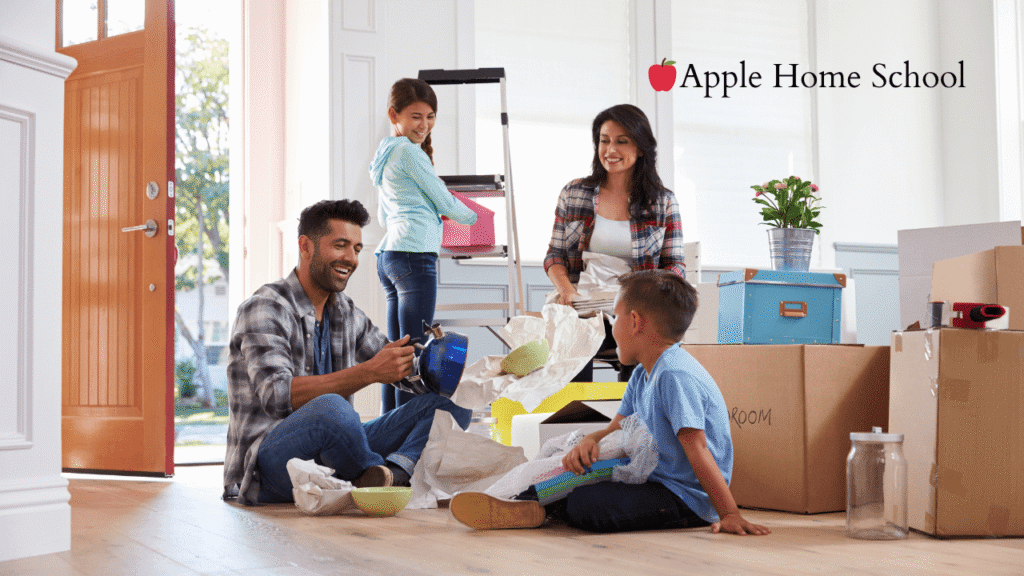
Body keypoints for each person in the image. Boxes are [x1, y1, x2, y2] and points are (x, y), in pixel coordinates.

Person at [450, 270, 770, 536]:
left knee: (587, 504)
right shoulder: (644, 373)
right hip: (654, 479)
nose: (611, 326)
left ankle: (532, 505)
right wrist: (591, 440)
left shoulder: (674, 375)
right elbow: (616, 428)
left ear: (634, 322)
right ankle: (523, 501)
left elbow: (697, 447)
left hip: (686, 499)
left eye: (613, 317)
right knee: (578, 477)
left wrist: (728, 513)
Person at [223, 199, 472, 506]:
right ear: (306, 246)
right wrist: (369, 372)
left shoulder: (345, 312)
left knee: (448, 405)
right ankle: (370, 474)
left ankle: (390, 474)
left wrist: (435, 367)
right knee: (332, 409)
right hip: (269, 466)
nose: (351, 258)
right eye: (340, 245)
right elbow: (276, 396)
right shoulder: (265, 307)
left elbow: (396, 368)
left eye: (356, 248)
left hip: (333, 455)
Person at [544, 104, 685, 382]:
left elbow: (675, 267)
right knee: (570, 333)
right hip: (582, 302)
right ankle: (573, 415)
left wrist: (643, 295)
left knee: (640, 334)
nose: (610, 150)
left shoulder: (663, 202)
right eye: (604, 140)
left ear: (641, 148)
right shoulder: (574, 193)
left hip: (635, 306)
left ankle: (634, 418)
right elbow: (554, 255)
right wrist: (566, 290)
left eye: (622, 141)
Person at [370, 78, 478, 413]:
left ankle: (386, 430)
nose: (424, 125)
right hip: (414, 257)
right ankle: (405, 437)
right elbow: (446, 201)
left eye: (430, 116)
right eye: (416, 116)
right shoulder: (410, 153)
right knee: (415, 355)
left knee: (397, 355)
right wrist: (472, 216)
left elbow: (383, 216)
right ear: (394, 115)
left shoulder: (386, 153)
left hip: (390, 255)